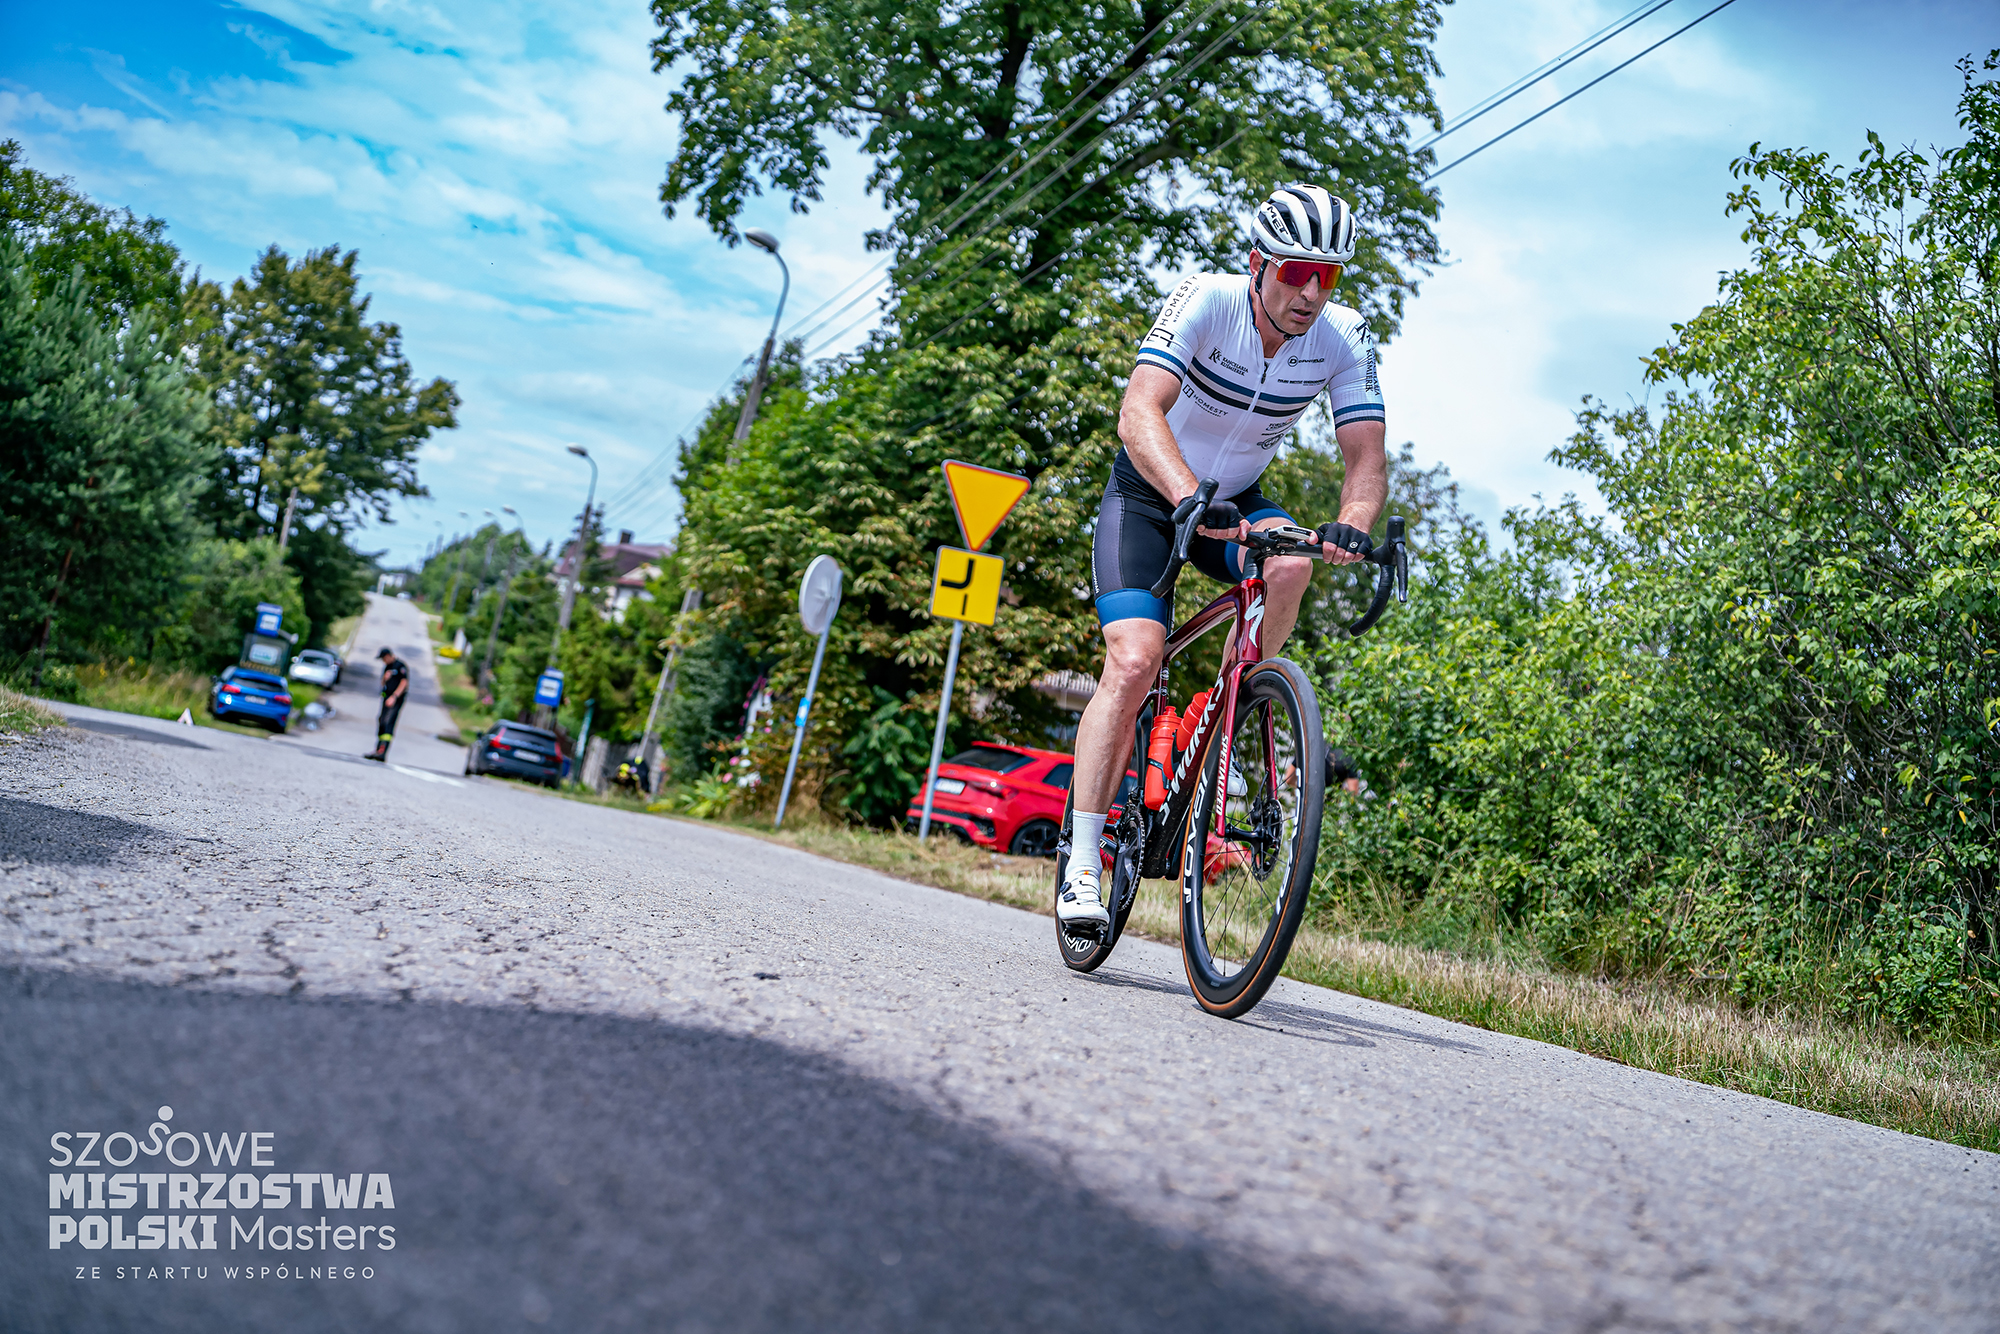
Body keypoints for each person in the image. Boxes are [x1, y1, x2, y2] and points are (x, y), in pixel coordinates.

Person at [1059, 183, 1390, 931]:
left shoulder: (1344, 336)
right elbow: (1138, 410)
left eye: (1327, 275)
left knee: (1292, 564)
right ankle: (1081, 863)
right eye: (1296, 272)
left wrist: (1351, 523)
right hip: (1149, 497)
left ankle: (1233, 706)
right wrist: (1185, 493)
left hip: (1237, 503)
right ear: (1257, 264)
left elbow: (1366, 460)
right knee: (1134, 661)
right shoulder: (1205, 300)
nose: (1311, 293)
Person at [365, 647, 410, 762]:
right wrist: (385, 678)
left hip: (395, 699)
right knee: (381, 721)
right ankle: (377, 749)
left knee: (388, 722)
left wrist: (394, 696)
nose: (383, 661)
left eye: (383, 658)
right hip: (386, 697)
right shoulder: (387, 667)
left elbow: (404, 682)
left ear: (388, 656)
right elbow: (383, 683)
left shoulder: (400, 666)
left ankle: (383, 752)